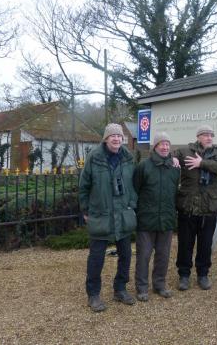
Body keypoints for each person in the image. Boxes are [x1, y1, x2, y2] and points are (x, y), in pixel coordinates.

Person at [79, 123, 138, 312]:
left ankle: (120, 289)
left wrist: (132, 205)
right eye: (112, 136)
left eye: (119, 136)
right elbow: (84, 185)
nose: (116, 139)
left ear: (123, 139)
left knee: (126, 255)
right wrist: (85, 210)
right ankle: (93, 294)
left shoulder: (128, 158)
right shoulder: (94, 158)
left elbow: (135, 185)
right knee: (96, 257)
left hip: (123, 213)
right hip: (101, 213)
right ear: (106, 138)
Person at [173, 125, 217, 291]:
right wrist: (173, 159)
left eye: (211, 135)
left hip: (208, 208)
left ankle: (202, 274)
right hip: (188, 207)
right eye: (205, 135)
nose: (209, 138)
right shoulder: (185, 151)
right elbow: (170, 155)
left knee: (205, 244)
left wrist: (202, 163)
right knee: (185, 244)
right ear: (198, 137)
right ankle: (184, 275)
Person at [133, 132, 180, 302]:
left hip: (166, 219)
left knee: (163, 255)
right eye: (162, 144)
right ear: (155, 146)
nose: (165, 147)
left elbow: (175, 192)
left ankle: (159, 285)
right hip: (146, 219)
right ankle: (142, 287)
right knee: (144, 255)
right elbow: (135, 191)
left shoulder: (174, 168)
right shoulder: (143, 166)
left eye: (168, 144)